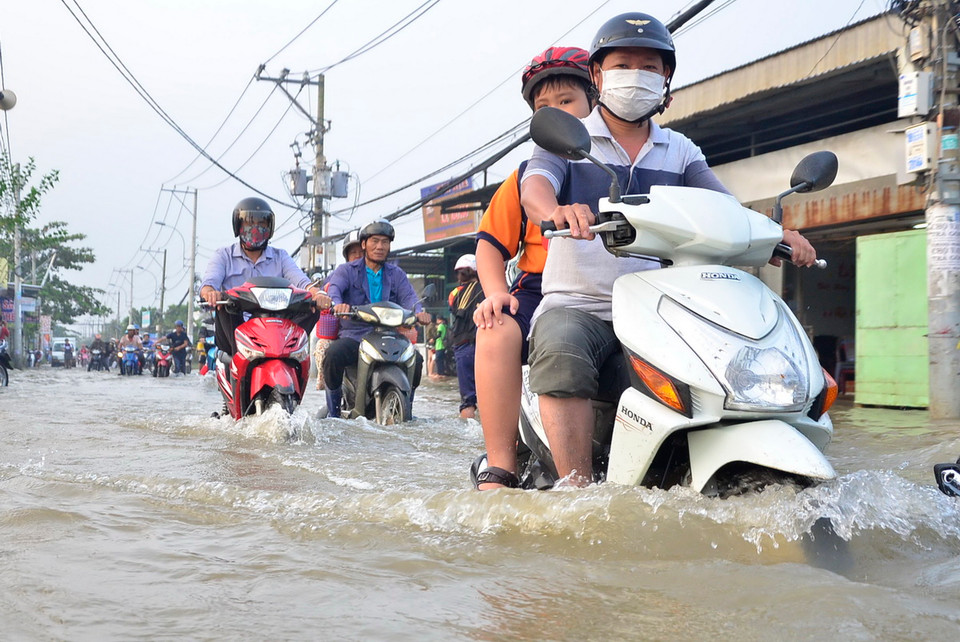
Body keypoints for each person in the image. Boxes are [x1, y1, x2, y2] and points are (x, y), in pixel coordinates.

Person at [506, 12, 819, 488]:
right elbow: (534, 190)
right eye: (624, 64)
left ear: (666, 79)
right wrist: (558, 211)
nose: (637, 75)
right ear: (597, 76)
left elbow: (725, 210)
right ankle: (576, 491)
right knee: (561, 350)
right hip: (582, 305)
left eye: (649, 66)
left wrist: (779, 235)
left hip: (661, 307)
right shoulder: (571, 140)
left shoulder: (681, 151)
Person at [470, 45, 594, 489]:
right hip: (539, 288)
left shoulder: (630, 164)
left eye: (567, 102)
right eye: (544, 107)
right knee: (496, 328)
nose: (557, 113)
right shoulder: (527, 173)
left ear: (595, 101)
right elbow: (490, 246)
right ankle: (500, 462)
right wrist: (494, 293)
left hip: (624, 287)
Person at [322, 220, 432, 418]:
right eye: (374, 241)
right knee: (333, 354)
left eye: (385, 242)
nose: (380, 247)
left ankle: (407, 408)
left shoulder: (396, 274)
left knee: (417, 359)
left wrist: (419, 312)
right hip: (355, 336)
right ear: (364, 244)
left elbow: (410, 298)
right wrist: (337, 303)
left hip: (388, 335)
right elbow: (335, 289)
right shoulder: (346, 270)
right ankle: (333, 414)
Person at [199, 197, 331, 358]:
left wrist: (318, 294)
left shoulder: (280, 256)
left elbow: (302, 282)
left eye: (261, 224)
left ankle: (294, 355)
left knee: (311, 308)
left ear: (269, 228)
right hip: (235, 330)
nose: (255, 228)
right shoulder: (224, 255)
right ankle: (239, 361)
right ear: (238, 226)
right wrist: (210, 293)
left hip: (276, 330)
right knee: (225, 305)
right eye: (249, 223)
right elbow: (209, 284)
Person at [314, 230, 365, 391]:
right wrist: (334, 302)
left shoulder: (384, 273)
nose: (357, 256)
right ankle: (332, 404)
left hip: (377, 332)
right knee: (325, 348)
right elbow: (330, 290)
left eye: (361, 252)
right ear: (347, 256)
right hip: (347, 332)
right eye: (353, 252)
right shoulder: (341, 273)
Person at [448, 254, 484, 418]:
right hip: (486, 344)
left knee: (468, 401)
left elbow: (453, 312)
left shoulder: (454, 293)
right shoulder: (489, 289)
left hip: (463, 346)